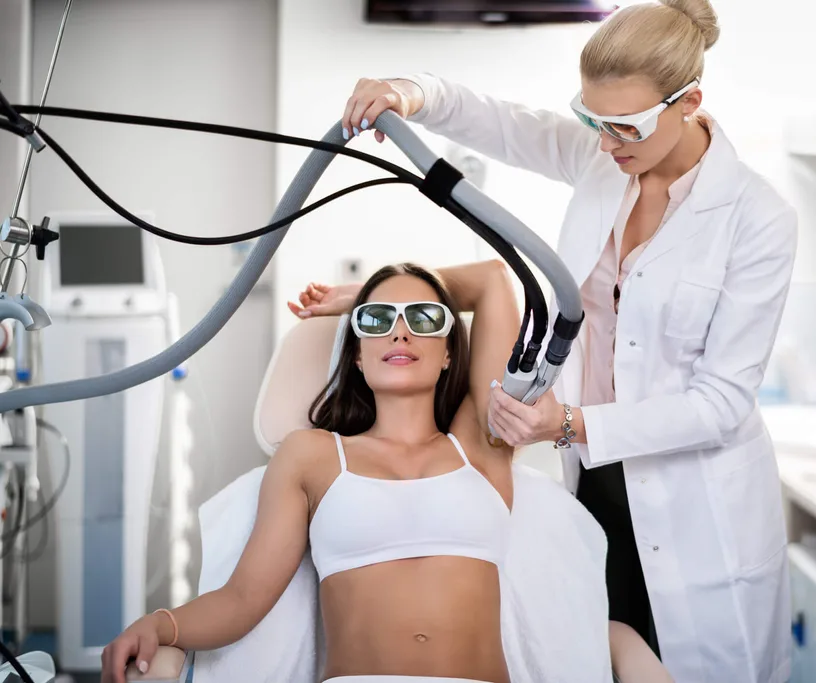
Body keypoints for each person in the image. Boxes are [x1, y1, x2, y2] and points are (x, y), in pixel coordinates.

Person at [326, 1, 798, 681]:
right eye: (592, 120)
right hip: (596, 484)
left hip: (697, 505)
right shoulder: (606, 158)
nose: (606, 143)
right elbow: (500, 121)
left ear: (689, 101)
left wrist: (569, 423)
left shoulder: (757, 218)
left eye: (624, 125)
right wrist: (411, 92)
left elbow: (722, 402)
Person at [102, 260, 525, 683]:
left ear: (449, 352)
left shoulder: (483, 442)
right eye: (376, 320)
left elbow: (493, 280)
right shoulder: (311, 456)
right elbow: (243, 598)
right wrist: (159, 624)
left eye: (423, 317)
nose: (400, 331)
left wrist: (357, 295)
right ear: (358, 355)